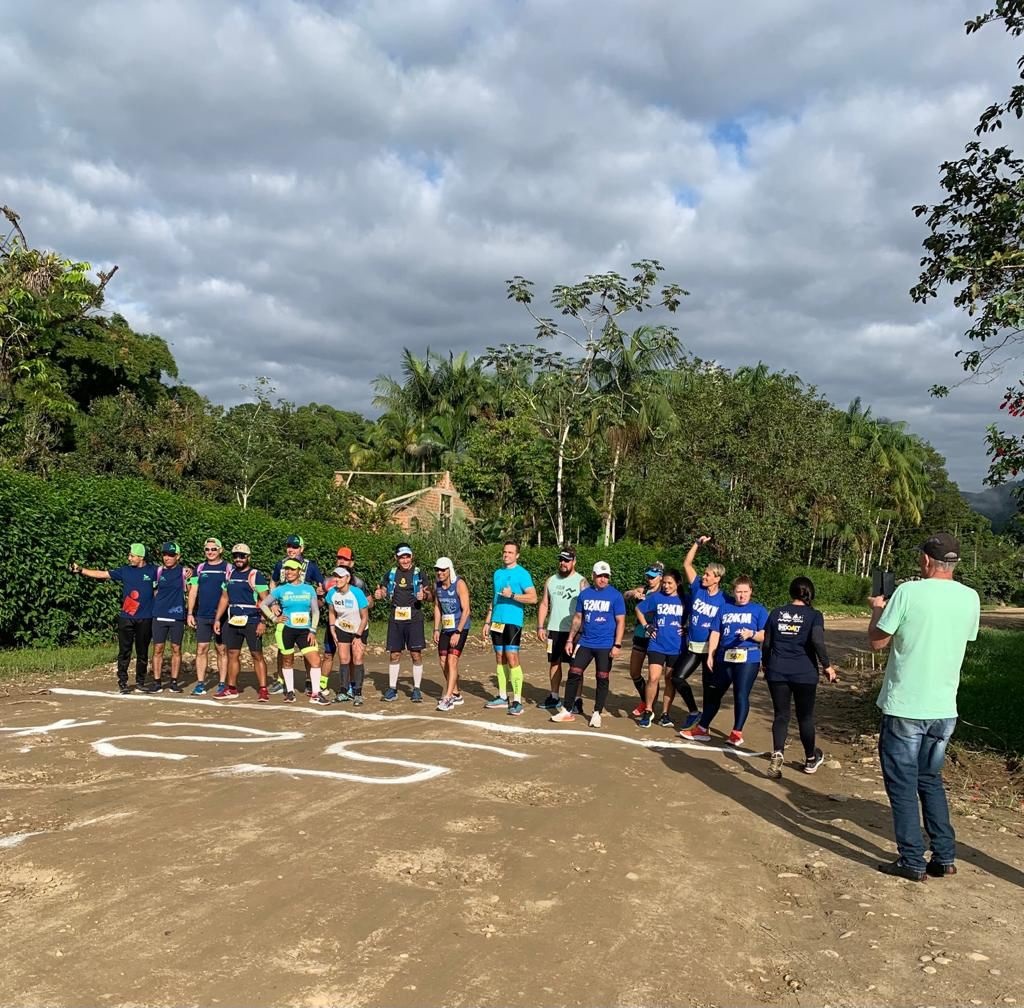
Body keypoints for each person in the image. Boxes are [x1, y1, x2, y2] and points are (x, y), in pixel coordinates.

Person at [868, 532, 980, 882]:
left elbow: (878, 642)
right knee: (929, 779)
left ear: (927, 561)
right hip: (944, 707)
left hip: (906, 705)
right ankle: (944, 855)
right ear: (954, 563)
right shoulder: (970, 598)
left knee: (901, 784)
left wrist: (877, 612)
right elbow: (964, 637)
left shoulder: (908, 592)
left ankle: (912, 859)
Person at [762, 576, 839, 778]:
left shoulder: (777, 613)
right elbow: (817, 641)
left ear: (791, 592)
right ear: (810, 594)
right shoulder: (814, 615)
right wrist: (827, 666)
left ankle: (778, 752)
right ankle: (811, 759)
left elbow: (767, 643)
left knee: (781, 715)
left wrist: (765, 663)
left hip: (777, 670)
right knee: (805, 717)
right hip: (804, 672)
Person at [680, 575, 768, 746]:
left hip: (747, 657)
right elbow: (715, 632)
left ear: (751, 592)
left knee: (740, 694)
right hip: (725, 656)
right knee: (714, 693)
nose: (742, 595)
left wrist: (751, 634)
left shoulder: (758, 610)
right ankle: (702, 728)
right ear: (733, 592)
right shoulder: (725, 608)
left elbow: (765, 634)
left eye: (745, 592)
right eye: (738, 592)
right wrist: (711, 654)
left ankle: (736, 732)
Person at [71, 543, 157, 694]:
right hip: (126, 617)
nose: (129, 558)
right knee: (124, 651)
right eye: (129, 555)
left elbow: (171, 573)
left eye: (132, 555)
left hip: (146, 617)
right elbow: (103, 574)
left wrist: (187, 572)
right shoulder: (125, 571)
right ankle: (123, 682)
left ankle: (140, 682)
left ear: (141, 557)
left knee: (142, 651)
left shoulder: (153, 570)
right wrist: (81, 570)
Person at [550, 560, 626, 729]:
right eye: (600, 576)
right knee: (574, 672)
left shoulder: (616, 596)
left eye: (606, 576)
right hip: (585, 642)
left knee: (602, 678)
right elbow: (578, 618)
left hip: (606, 644)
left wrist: (617, 645)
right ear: (593, 576)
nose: (603, 579)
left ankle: (597, 712)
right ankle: (567, 709)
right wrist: (570, 639)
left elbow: (621, 622)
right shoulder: (585, 595)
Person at [671, 536, 725, 731]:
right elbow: (687, 563)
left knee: (709, 689)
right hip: (693, 646)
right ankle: (694, 711)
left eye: (708, 574)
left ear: (717, 578)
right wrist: (697, 544)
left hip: (710, 650)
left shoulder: (724, 599)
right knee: (677, 677)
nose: (704, 576)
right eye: (704, 573)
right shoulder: (697, 588)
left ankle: (704, 725)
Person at [483, 542, 538, 716]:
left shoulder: (522, 574)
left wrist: (513, 595)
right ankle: (501, 696)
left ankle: (517, 700)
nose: (506, 555)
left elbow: (533, 598)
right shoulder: (497, 573)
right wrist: (487, 621)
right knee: (499, 657)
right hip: (497, 621)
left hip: (513, 621)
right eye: (505, 552)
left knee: (511, 657)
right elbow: (494, 599)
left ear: (517, 555)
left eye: (510, 552)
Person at [262, 559, 327, 705]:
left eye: (292, 569)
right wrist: (274, 618)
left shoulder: (309, 589)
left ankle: (316, 694)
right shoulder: (280, 589)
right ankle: (290, 692)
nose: (289, 572)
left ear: (299, 572)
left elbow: (315, 611)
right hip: (287, 629)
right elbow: (263, 604)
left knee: (315, 660)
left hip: (305, 630)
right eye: (287, 570)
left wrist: (313, 630)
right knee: (287, 660)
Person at [213, 544, 271, 701]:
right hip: (234, 620)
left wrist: (263, 621)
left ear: (248, 557)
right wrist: (218, 619)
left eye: (242, 556)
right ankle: (231, 688)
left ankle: (263, 689)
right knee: (232, 653)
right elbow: (225, 598)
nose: (238, 559)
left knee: (256, 654)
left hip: (252, 620)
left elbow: (265, 600)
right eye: (236, 556)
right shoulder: (230, 574)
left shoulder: (255, 575)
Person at [374, 544, 429, 702]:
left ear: (412, 557)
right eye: (401, 557)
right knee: (394, 654)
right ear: (396, 558)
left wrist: (424, 596)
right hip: (396, 617)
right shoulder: (391, 574)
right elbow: (383, 590)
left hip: (414, 618)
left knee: (415, 654)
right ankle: (392, 689)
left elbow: (430, 594)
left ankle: (416, 689)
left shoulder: (419, 573)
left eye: (407, 556)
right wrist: (380, 594)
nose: (405, 560)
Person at [536, 548, 588, 712]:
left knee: (576, 666)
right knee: (554, 663)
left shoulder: (582, 582)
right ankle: (554, 696)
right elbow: (544, 603)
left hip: (575, 631)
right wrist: (540, 626)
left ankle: (577, 700)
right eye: (561, 560)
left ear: (574, 561)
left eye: (567, 560)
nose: (563, 563)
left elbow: (588, 608)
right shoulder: (551, 580)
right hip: (554, 629)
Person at [634, 568, 685, 728]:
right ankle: (648, 710)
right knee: (653, 678)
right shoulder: (656, 597)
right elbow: (638, 609)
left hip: (676, 646)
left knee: (669, 680)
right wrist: (646, 626)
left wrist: (687, 626)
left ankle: (665, 714)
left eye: (670, 583)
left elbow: (695, 616)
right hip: (657, 644)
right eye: (664, 583)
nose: (666, 586)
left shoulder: (685, 600)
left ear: (677, 583)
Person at [322, 545, 372, 699]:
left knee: (356, 658)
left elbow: (367, 611)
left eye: (345, 559)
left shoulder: (358, 587)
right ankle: (339, 690)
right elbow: (331, 610)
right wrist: (332, 628)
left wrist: (358, 635)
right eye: (339, 558)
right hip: (340, 627)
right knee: (339, 657)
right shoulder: (330, 588)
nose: (342, 561)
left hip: (358, 629)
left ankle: (356, 691)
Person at [187, 538, 230, 695]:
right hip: (203, 615)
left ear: (220, 550)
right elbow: (193, 591)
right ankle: (200, 684)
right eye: (207, 549)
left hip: (222, 616)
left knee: (221, 649)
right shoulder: (199, 568)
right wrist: (190, 613)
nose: (210, 552)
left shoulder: (228, 568)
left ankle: (222, 683)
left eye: (213, 549)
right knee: (201, 649)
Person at [144, 542, 188, 693]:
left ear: (178, 556)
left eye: (171, 555)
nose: (167, 558)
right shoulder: (158, 571)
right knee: (158, 648)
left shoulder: (184, 572)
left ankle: (174, 682)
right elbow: (154, 591)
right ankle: (157, 682)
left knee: (176, 648)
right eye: (165, 555)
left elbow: (192, 588)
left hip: (177, 615)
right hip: (159, 615)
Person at [624, 561, 664, 719]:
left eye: (653, 577)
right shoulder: (644, 590)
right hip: (640, 635)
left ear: (660, 577)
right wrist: (633, 593)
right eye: (648, 577)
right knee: (634, 672)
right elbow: (625, 595)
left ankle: (650, 707)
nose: (649, 580)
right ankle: (644, 700)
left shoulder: (664, 592)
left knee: (653, 676)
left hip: (655, 637)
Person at [432, 557, 471, 711]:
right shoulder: (437, 586)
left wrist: (458, 632)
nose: (440, 573)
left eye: (443, 570)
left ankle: (448, 697)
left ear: (449, 570)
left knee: (452, 660)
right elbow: (437, 607)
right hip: (446, 628)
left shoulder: (459, 584)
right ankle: (456, 692)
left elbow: (466, 610)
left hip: (460, 627)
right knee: (443, 661)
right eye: (437, 570)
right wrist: (436, 628)